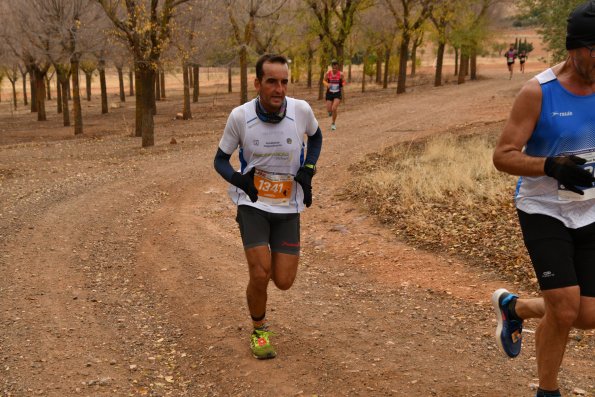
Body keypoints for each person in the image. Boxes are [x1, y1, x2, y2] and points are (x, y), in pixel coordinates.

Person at [492, 2, 595, 396]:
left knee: (585, 315)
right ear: (577, 48)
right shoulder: (538, 92)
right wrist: (550, 166)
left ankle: (515, 308)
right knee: (566, 308)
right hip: (544, 209)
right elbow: (503, 156)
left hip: (589, 209)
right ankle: (547, 391)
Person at [213, 54, 323, 360]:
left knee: (284, 281)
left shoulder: (300, 110)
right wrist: (240, 180)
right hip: (253, 204)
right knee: (260, 273)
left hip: (288, 205)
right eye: (272, 81)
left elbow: (316, 137)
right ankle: (259, 330)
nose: (279, 88)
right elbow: (219, 160)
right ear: (257, 83)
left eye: (284, 81)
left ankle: (262, 268)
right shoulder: (240, 116)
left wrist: (308, 169)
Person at [323, 59, 344, 131]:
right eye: (333, 66)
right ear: (332, 67)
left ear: (337, 67)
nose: (334, 68)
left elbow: (344, 82)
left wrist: (341, 84)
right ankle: (330, 113)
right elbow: (324, 80)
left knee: (334, 108)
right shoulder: (328, 73)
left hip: (337, 93)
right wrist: (327, 84)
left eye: (336, 66)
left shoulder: (341, 74)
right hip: (329, 93)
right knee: (329, 109)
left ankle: (333, 123)